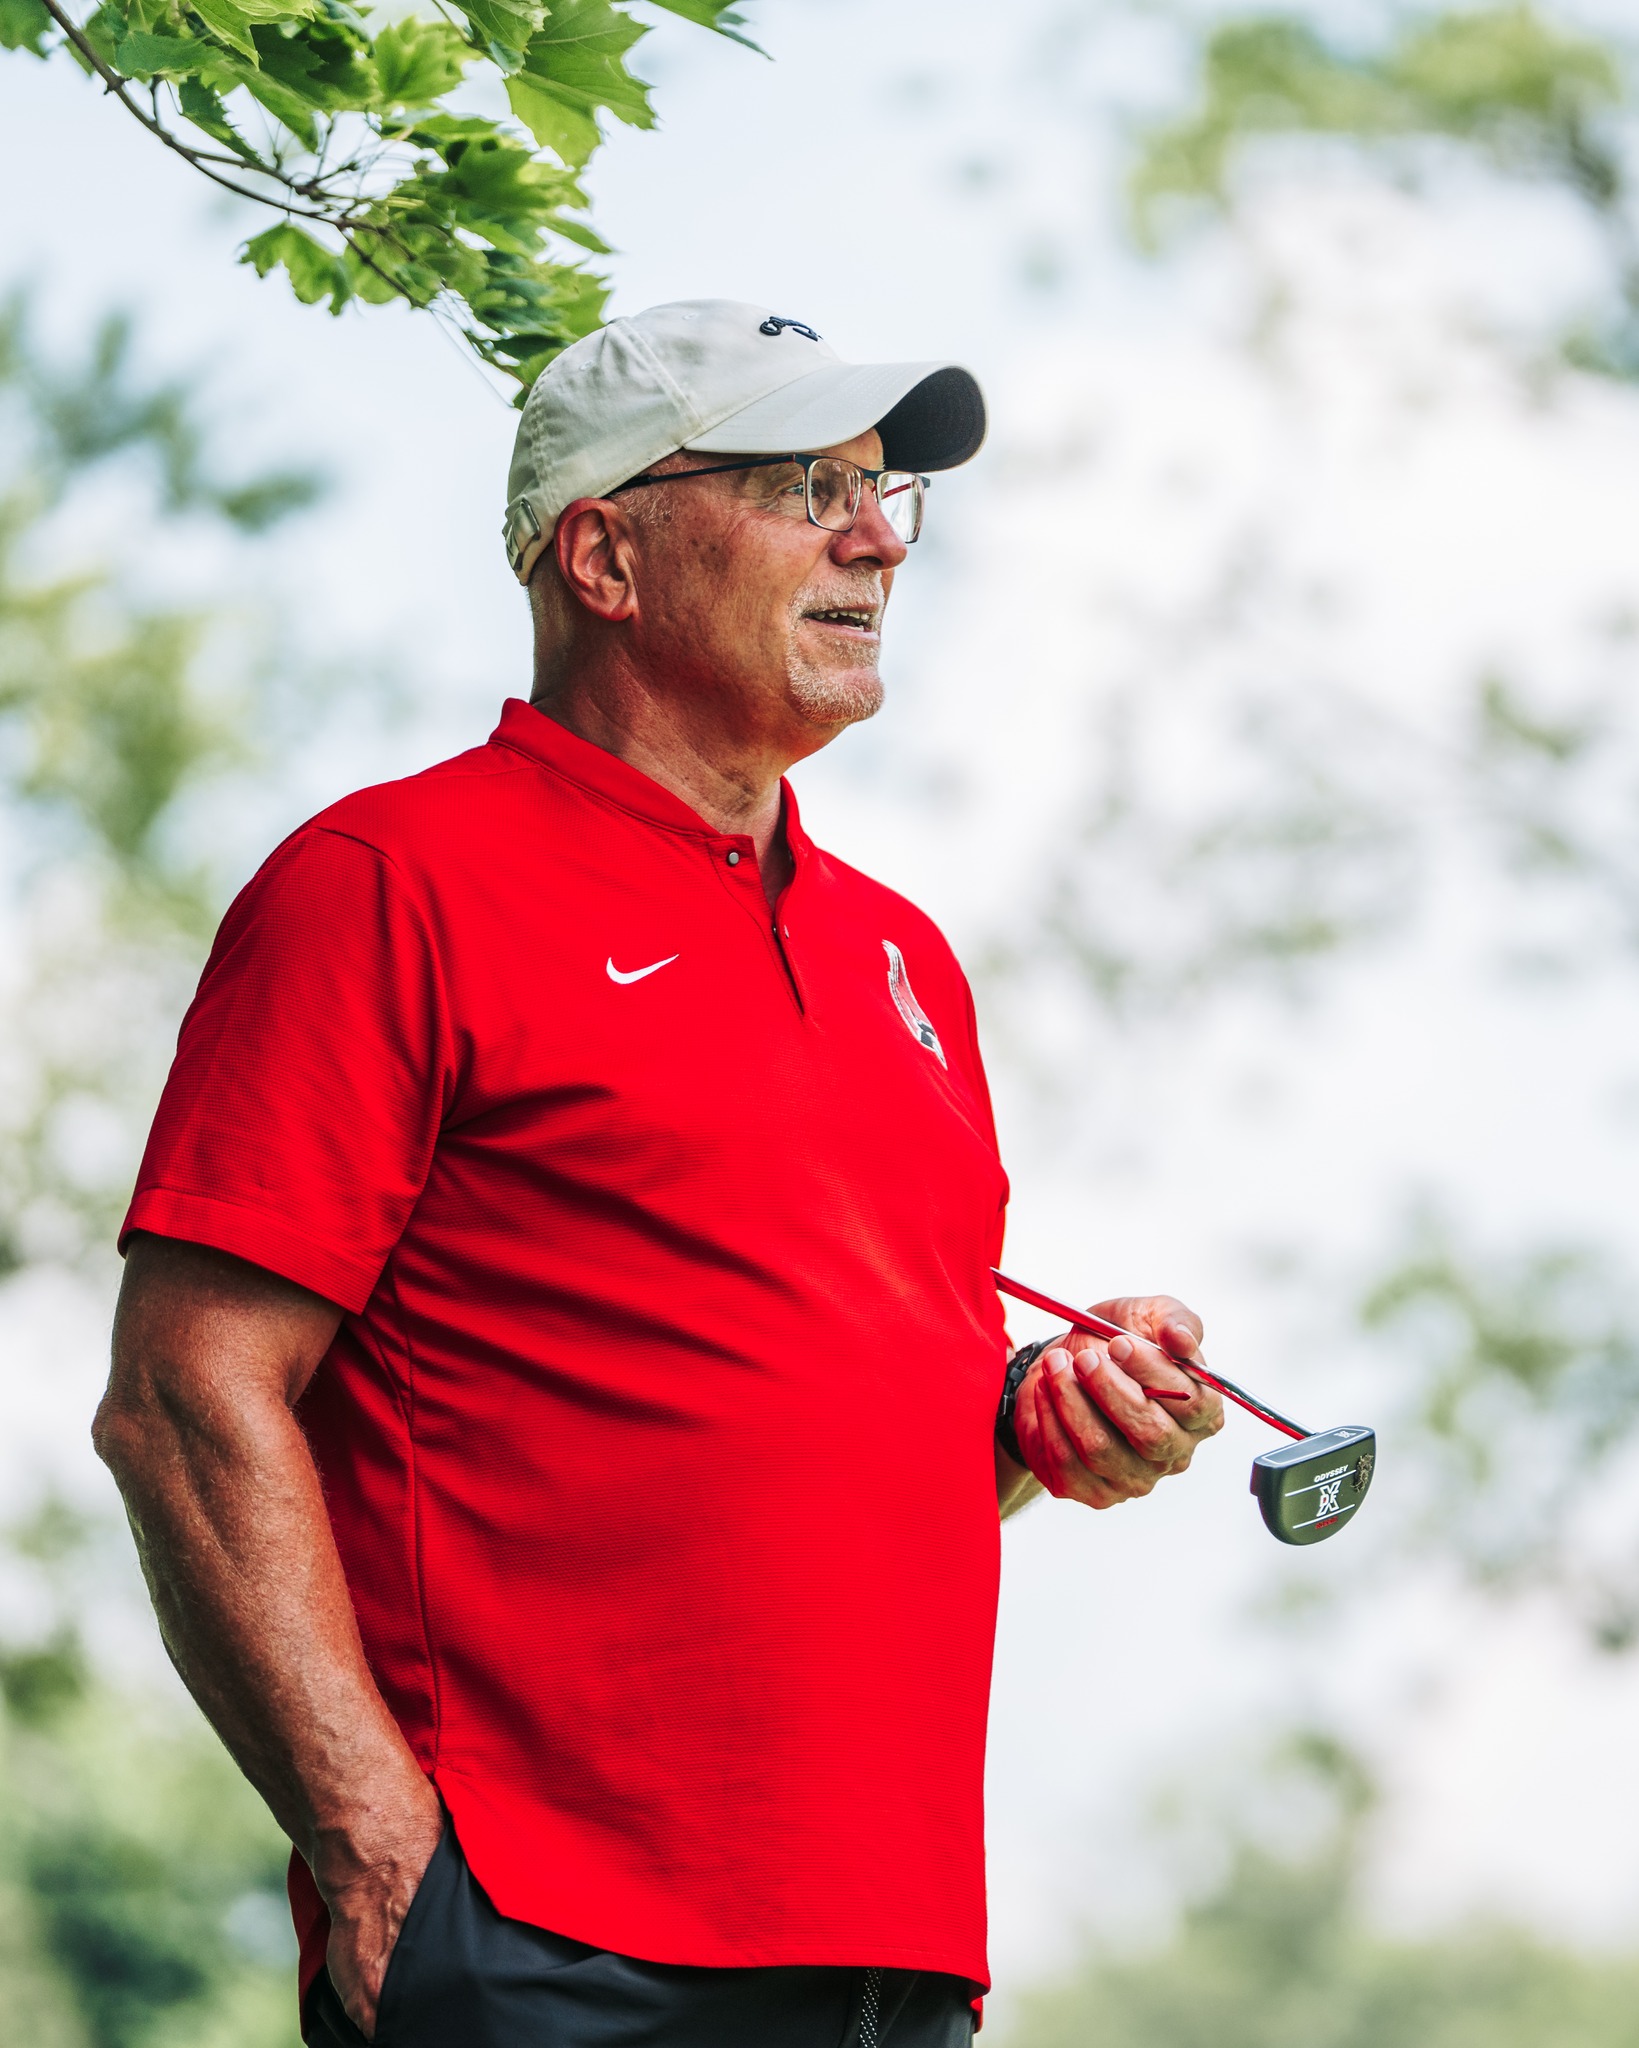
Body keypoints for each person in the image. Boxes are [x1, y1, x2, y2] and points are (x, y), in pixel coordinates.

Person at [94, 300, 1224, 2048]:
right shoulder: (384, 885)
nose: (872, 537)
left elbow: (789, 1412)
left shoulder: (903, 958)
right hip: (544, 1947)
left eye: (881, 492)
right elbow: (182, 1402)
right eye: (798, 485)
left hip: (894, 1943)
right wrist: (380, 1861)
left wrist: (1036, 1424)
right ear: (604, 554)